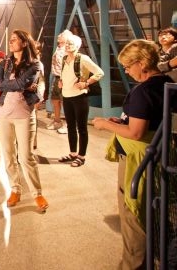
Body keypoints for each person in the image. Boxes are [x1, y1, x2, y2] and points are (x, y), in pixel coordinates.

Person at [92, 39, 172, 269]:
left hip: (138, 162)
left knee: (133, 216)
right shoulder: (167, 83)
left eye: (128, 66)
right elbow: (148, 122)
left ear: (141, 63)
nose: (126, 71)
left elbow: (136, 133)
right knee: (154, 211)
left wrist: (105, 125)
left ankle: (134, 265)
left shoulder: (143, 91)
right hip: (160, 158)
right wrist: (122, 120)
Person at [0, 29, 48, 213]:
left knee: (26, 157)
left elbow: (18, 85)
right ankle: (15, 189)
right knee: (8, 156)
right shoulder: (4, 62)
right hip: (2, 114)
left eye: (15, 39)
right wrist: (8, 84)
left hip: (24, 114)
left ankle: (37, 193)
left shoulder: (35, 65)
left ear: (24, 43)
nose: (11, 41)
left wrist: (5, 84)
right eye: (11, 39)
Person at [57, 33, 104, 167]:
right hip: (66, 97)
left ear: (78, 45)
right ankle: (73, 153)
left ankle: (81, 156)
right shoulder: (64, 58)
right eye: (67, 43)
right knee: (71, 127)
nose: (68, 45)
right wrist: (61, 82)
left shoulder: (83, 58)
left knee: (81, 128)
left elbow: (100, 72)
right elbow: (65, 74)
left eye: (71, 43)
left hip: (79, 97)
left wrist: (86, 83)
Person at [47, 30, 73, 133]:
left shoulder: (68, 49)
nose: (59, 36)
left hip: (65, 79)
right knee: (55, 100)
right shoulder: (59, 48)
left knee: (65, 101)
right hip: (57, 77)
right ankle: (57, 121)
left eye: (62, 35)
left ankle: (68, 124)